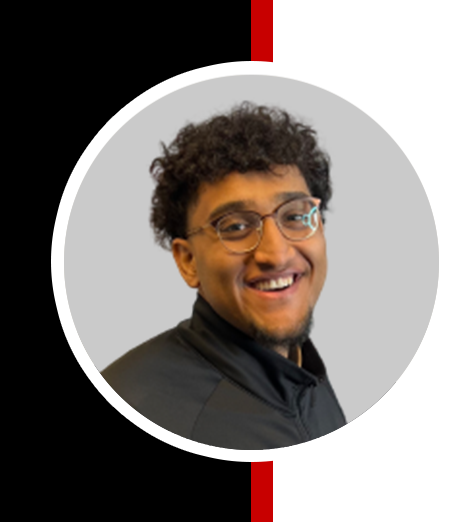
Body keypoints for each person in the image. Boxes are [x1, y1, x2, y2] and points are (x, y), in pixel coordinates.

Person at [102, 102, 355, 450]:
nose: (277, 254)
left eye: (295, 217)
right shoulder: (139, 410)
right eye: (235, 227)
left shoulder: (301, 373)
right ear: (188, 261)